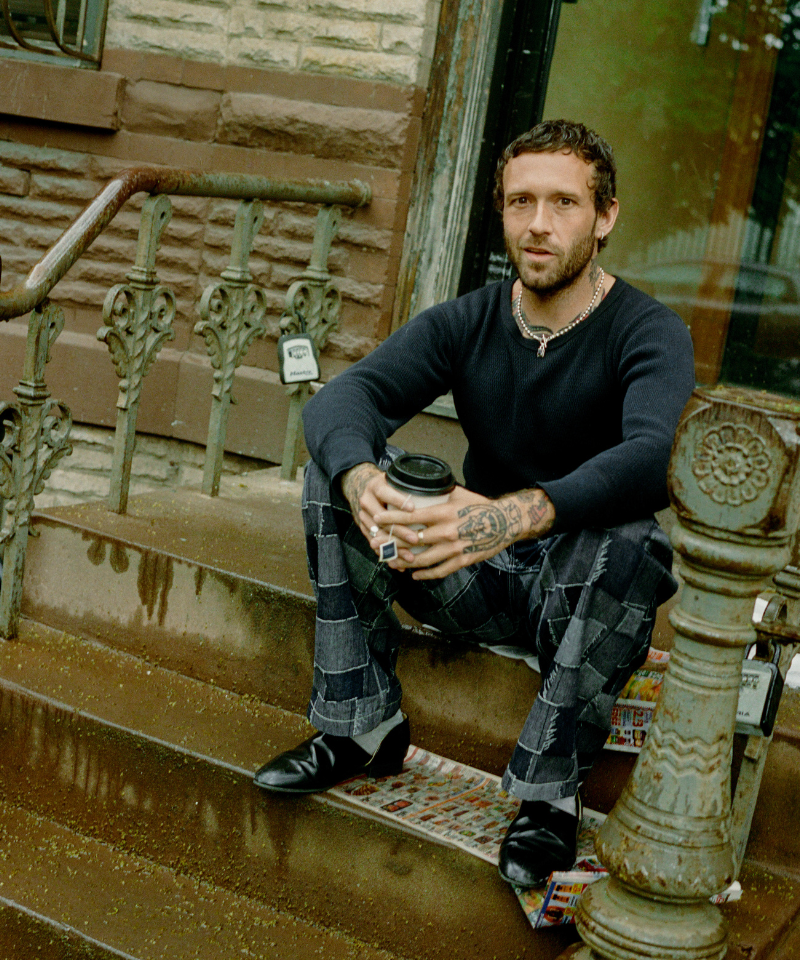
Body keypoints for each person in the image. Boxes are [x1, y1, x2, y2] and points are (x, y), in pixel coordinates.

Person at [254, 119, 696, 889]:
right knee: (336, 468)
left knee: (634, 544)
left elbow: (654, 459)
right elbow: (344, 398)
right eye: (521, 202)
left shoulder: (648, 332)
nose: (539, 224)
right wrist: (367, 485)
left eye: (564, 202)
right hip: (470, 582)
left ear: (607, 216)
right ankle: (362, 728)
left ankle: (549, 797)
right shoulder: (472, 318)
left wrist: (502, 517)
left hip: (575, 589)